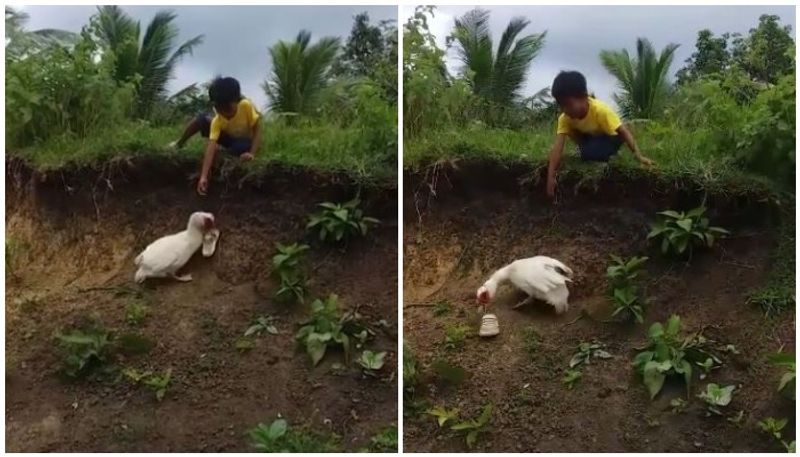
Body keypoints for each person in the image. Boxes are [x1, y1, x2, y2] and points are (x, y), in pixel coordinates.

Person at [545, 71, 654, 199]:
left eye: (568, 104)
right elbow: (558, 147)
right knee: (586, 150)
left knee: (590, 154)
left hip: (611, 136)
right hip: (590, 136)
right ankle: (588, 148)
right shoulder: (565, 118)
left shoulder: (601, 111)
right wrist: (551, 177)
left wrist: (639, 156)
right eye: (561, 105)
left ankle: (603, 151)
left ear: (584, 97)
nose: (565, 110)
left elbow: (623, 132)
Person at [168, 76, 262, 196]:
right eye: (219, 109)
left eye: (228, 109)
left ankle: (225, 154)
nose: (225, 113)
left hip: (243, 141)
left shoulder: (246, 106)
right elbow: (210, 147)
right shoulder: (217, 120)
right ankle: (179, 143)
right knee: (201, 119)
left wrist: (252, 153)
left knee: (241, 145)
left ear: (236, 101)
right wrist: (203, 177)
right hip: (228, 139)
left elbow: (257, 129)